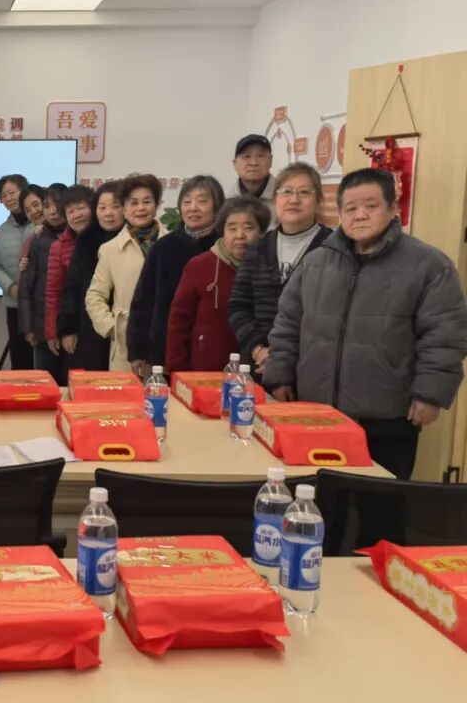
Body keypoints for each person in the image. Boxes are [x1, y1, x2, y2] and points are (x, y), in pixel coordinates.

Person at [265, 168, 467, 479]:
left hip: (387, 417)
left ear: (393, 208)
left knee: (380, 501)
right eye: (350, 208)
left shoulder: (429, 265)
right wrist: (279, 376)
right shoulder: (316, 262)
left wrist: (430, 394)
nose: (360, 215)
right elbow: (287, 325)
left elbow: (445, 336)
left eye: (371, 206)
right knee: (316, 497)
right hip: (316, 414)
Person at [229, 162, 333, 377]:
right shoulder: (258, 248)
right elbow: (239, 306)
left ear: (318, 201)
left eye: (304, 192)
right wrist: (259, 350)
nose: (294, 199)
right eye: (286, 191)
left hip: (311, 370)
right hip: (258, 367)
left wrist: (285, 358)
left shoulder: (333, 248)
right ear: (275, 199)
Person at [127, 175, 225, 376]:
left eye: (202, 201)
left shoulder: (226, 248)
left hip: (215, 355)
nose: (193, 208)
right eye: (187, 202)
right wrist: (138, 350)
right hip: (163, 353)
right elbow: (143, 302)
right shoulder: (163, 247)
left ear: (217, 207)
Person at [166, 195, 270, 373]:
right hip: (205, 371)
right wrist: (177, 370)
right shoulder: (199, 265)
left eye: (248, 228)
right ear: (222, 231)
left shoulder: (271, 266)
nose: (240, 235)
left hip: (259, 369)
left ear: (261, 232)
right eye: (232, 228)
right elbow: (179, 322)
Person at [85, 174, 167, 372]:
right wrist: (112, 328)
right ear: (124, 208)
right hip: (126, 344)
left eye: (147, 201)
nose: (140, 208)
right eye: (134, 203)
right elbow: (95, 296)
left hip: (166, 340)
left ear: (157, 205)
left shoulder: (172, 243)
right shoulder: (110, 249)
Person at [59, 181, 124, 371]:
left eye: (115, 207)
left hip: (126, 325)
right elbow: (72, 287)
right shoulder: (86, 240)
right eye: (102, 208)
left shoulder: (138, 240)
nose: (108, 213)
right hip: (89, 324)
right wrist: (69, 328)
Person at [42, 186, 95, 383]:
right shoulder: (59, 246)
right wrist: (54, 331)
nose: (76, 215)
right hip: (75, 321)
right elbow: (53, 292)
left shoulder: (107, 239)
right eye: (70, 211)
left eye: (81, 208)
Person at [18, 185, 66, 380]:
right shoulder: (35, 241)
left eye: (37, 205)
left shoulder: (79, 236)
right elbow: (26, 288)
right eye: (27, 210)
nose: (52, 211)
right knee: (46, 382)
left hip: (71, 326)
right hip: (42, 327)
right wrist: (28, 328)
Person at [0, 174, 33, 370]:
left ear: (24, 192)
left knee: (42, 361)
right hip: (15, 305)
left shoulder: (41, 224)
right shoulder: (3, 230)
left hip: (41, 305)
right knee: (20, 359)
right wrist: (11, 287)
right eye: (3, 195)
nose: (8, 198)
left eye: (12, 192)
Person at [232, 134, 276, 222]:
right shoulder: (225, 201)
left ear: (271, 160)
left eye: (260, 156)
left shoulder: (285, 198)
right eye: (246, 156)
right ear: (235, 164)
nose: (253, 163)